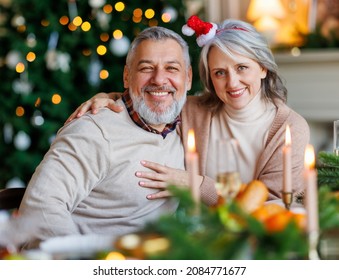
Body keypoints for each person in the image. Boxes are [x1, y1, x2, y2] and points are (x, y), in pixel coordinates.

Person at [67, 16, 310, 202]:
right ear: (209, 78)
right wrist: (107, 97)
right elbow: (151, 95)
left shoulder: (290, 128)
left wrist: (196, 185)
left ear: (263, 68)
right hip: (193, 238)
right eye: (220, 73)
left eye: (242, 68)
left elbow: (274, 202)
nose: (232, 82)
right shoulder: (192, 110)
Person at [13, 26, 212, 246]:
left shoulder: (185, 122)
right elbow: (40, 207)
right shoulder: (95, 131)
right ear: (127, 76)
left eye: (171, 68)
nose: (159, 79)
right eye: (146, 68)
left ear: (189, 77)